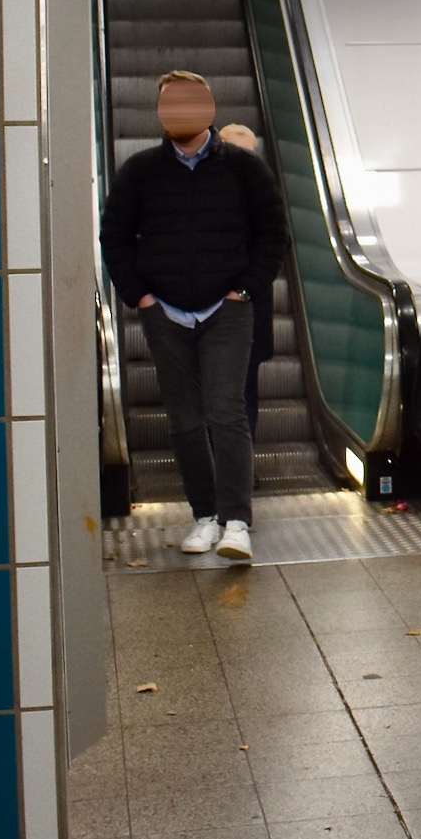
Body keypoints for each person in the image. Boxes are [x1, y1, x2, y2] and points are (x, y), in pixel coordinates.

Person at [100, 71, 286, 563]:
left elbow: (273, 233)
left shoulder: (244, 168)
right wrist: (140, 297)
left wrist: (243, 290)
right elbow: (114, 235)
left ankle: (236, 522)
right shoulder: (140, 171)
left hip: (227, 310)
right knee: (184, 419)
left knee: (226, 411)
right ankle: (205, 515)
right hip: (165, 311)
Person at [217, 122, 277, 437]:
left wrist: (242, 290)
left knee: (244, 394)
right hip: (207, 315)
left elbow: (275, 250)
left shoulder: (265, 199)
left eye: (250, 156)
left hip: (249, 311)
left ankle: (241, 458)